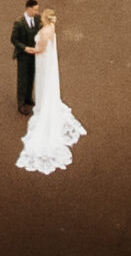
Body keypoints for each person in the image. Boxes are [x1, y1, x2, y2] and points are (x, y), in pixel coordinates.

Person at [16, 9, 86, 175]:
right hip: (48, 61)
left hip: (43, 61)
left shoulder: (46, 32)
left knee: (43, 83)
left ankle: (42, 105)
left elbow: (40, 49)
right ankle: (43, 103)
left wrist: (27, 49)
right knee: (46, 84)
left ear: (46, 20)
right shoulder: (52, 27)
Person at [11, 0, 42, 115]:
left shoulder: (37, 19)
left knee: (31, 76)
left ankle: (28, 98)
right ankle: (21, 104)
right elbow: (13, 39)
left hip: (34, 54)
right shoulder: (19, 23)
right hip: (23, 56)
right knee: (22, 79)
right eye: (34, 9)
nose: (36, 11)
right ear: (28, 9)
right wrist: (24, 48)